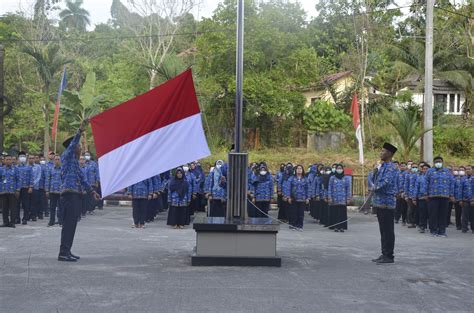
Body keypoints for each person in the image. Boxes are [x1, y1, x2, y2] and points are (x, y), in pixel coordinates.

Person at [58, 120, 99, 262]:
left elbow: (83, 178)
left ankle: (67, 250)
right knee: (69, 224)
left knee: (72, 224)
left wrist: (92, 191)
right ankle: (63, 252)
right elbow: (71, 147)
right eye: (79, 146)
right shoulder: (67, 157)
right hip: (69, 195)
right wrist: (80, 131)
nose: (80, 148)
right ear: (72, 147)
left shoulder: (75, 163)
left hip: (75, 195)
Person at [371, 143, 398, 264]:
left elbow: (386, 183)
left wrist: (374, 188)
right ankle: (384, 253)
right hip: (380, 202)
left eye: (383, 151)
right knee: (383, 230)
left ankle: (389, 255)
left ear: (390, 154)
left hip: (387, 203)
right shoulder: (382, 166)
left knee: (388, 230)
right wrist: (374, 172)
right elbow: (374, 179)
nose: (381, 153)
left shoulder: (391, 167)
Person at [425, 156, 454, 237]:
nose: (438, 163)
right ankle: (433, 230)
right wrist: (425, 194)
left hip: (445, 196)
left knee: (443, 214)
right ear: (434, 163)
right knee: (433, 214)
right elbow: (426, 182)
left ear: (442, 162)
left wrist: (451, 194)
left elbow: (451, 183)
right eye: (437, 161)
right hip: (433, 196)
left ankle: (442, 231)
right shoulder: (430, 171)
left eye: (440, 161)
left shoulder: (447, 171)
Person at [284, 164, 309, 230]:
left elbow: (308, 189)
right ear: (295, 170)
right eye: (298, 168)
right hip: (293, 198)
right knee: (293, 212)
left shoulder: (305, 179)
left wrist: (308, 198)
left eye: (300, 169)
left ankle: (300, 225)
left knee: (301, 213)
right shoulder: (291, 178)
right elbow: (288, 188)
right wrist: (288, 197)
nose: (299, 170)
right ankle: (293, 224)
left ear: (302, 170)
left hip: (302, 198)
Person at [327, 164, 351, 232]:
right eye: (338, 168)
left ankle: (342, 227)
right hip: (335, 198)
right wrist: (329, 197)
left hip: (343, 199)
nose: (339, 170)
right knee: (335, 213)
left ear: (343, 169)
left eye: (340, 168)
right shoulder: (332, 178)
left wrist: (348, 198)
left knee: (342, 213)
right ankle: (336, 226)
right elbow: (329, 188)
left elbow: (348, 189)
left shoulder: (346, 178)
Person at [0, 155, 20, 228]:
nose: (8, 161)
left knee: (13, 208)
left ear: (12, 161)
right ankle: (5, 222)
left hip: (12, 191)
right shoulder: (1, 169)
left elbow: (18, 180)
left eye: (9, 159)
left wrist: (18, 190)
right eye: (7, 159)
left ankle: (12, 222)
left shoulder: (16, 169)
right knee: (4, 208)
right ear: (4, 160)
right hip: (3, 191)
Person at [414, 164, 430, 233]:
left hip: (431, 198)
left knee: (430, 213)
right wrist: (414, 198)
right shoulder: (419, 177)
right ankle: (422, 226)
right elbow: (416, 188)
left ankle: (432, 226)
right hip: (421, 197)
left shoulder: (432, 177)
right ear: (422, 170)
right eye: (424, 169)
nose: (425, 170)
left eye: (427, 169)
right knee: (422, 213)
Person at [406, 162, 419, 228]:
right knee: (410, 209)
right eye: (413, 167)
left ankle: (416, 222)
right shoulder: (408, 175)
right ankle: (410, 222)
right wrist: (406, 195)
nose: (414, 168)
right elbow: (406, 185)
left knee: (417, 210)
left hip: (418, 196)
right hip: (410, 195)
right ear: (411, 168)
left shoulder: (419, 175)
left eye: (416, 167)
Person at [453, 166, 466, 230]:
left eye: (462, 170)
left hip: (465, 198)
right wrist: (453, 197)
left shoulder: (467, 178)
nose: (461, 171)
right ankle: (458, 225)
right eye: (460, 170)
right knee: (458, 213)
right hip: (457, 198)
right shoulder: (455, 179)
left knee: (465, 213)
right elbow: (453, 188)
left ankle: (464, 225)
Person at [461, 165, 473, 233]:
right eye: (467, 169)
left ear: (472, 170)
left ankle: (473, 228)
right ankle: (464, 228)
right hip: (465, 200)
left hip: (472, 200)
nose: (468, 170)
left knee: (472, 215)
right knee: (464, 215)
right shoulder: (463, 179)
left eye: (469, 169)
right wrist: (460, 200)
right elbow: (461, 190)